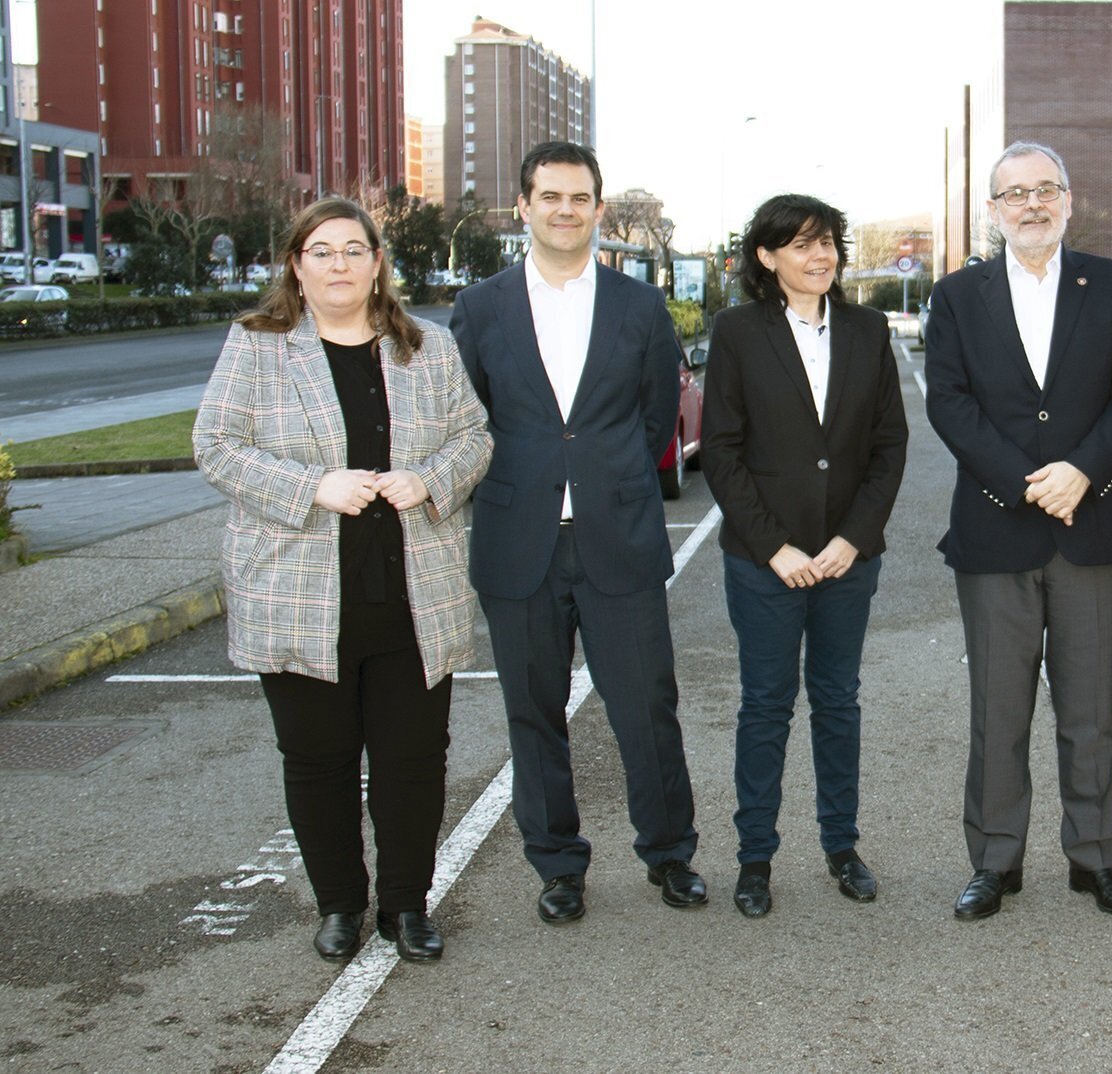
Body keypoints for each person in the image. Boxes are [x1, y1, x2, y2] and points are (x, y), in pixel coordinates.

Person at [193, 197, 492, 963]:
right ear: (296, 265)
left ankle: (406, 907)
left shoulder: (426, 347)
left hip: (410, 599)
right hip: (297, 597)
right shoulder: (258, 346)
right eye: (321, 251)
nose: (339, 265)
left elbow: (474, 437)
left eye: (354, 250)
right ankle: (339, 905)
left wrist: (429, 479)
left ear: (377, 263)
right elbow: (216, 445)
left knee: (412, 764)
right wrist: (313, 487)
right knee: (318, 763)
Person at [450, 141, 705, 922]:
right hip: (517, 541)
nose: (565, 210)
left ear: (598, 209)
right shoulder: (480, 307)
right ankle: (558, 866)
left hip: (617, 537)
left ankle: (670, 854)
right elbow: (468, 417)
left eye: (579, 198)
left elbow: (655, 416)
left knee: (647, 707)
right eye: (550, 196)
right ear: (523, 207)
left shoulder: (638, 306)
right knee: (534, 712)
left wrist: (607, 478)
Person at [925, 142, 1112, 920]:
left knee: (1090, 714)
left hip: (1092, 527)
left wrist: (1082, 471)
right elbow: (948, 401)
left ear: (1068, 199)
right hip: (996, 533)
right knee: (998, 712)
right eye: (1015, 193)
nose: (1032, 204)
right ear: (993, 210)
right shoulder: (958, 296)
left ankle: (1097, 860)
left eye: (1045, 189)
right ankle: (995, 862)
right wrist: (1028, 483)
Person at [700, 194, 909, 918]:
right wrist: (775, 548)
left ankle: (841, 847)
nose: (820, 257)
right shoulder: (737, 332)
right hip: (765, 563)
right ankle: (755, 858)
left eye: (828, 243)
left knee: (837, 701)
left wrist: (853, 539)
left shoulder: (867, 329)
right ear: (766, 257)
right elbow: (722, 452)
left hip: (848, 560)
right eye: (802, 245)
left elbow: (889, 446)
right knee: (765, 705)